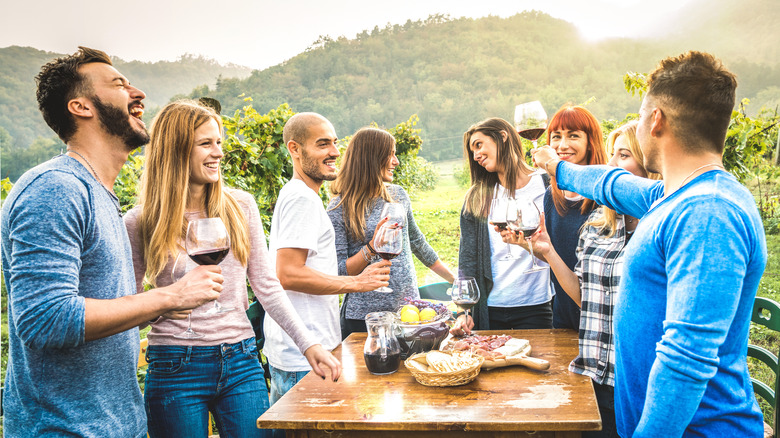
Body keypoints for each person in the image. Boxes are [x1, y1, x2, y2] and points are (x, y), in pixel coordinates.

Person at [533, 51, 766, 437]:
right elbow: (612, 185)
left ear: (655, 119)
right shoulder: (675, 196)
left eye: (641, 116)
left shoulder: (708, 213)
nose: (639, 125)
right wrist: (557, 167)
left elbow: (686, 360)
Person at [0, 47, 222, 437]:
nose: (138, 93)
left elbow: (99, 303)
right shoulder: (56, 189)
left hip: (116, 425)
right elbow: (45, 320)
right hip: (67, 429)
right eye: (119, 84)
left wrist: (156, 309)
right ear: (81, 106)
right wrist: (168, 298)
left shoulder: (99, 194)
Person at [123, 100, 341, 437]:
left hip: (240, 359)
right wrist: (167, 301)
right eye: (206, 143)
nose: (218, 153)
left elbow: (267, 284)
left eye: (219, 142)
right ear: (176, 150)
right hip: (173, 364)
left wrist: (309, 345)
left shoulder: (240, 206)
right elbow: (129, 304)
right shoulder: (141, 221)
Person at [507, 121, 659, 438]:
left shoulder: (662, 227)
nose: (612, 165)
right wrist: (547, 252)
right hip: (595, 374)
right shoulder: (598, 222)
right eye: (612, 156)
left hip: (640, 381)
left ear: (650, 167)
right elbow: (585, 297)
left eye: (625, 155)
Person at [264, 113, 391, 407]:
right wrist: (356, 283)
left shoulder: (298, 194)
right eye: (322, 144)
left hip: (301, 350)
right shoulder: (302, 199)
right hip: (306, 356)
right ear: (294, 149)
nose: (334, 152)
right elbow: (288, 274)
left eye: (334, 143)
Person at [327, 127, 455, 338]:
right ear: (371, 158)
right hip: (364, 318)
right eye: (391, 154)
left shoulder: (398, 195)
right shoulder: (337, 208)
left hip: (408, 312)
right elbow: (340, 272)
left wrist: (454, 281)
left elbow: (417, 243)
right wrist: (371, 248)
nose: (396, 161)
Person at [452, 117, 554, 335]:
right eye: (472, 151)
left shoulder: (547, 185)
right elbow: (467, 258)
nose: (476, 155)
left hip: (537, 306)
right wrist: (463, 311)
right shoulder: (478, 196)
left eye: (479, 145)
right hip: (491, 308)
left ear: (502, 136)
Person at [543, 105, 608, 331]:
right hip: (562, 314)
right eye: (556, 136)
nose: (562, 145)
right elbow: (557, 257)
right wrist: (529, 246)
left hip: (600, 318)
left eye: (573, 136)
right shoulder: (551, 197)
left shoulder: (605, 198)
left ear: (591, 141)